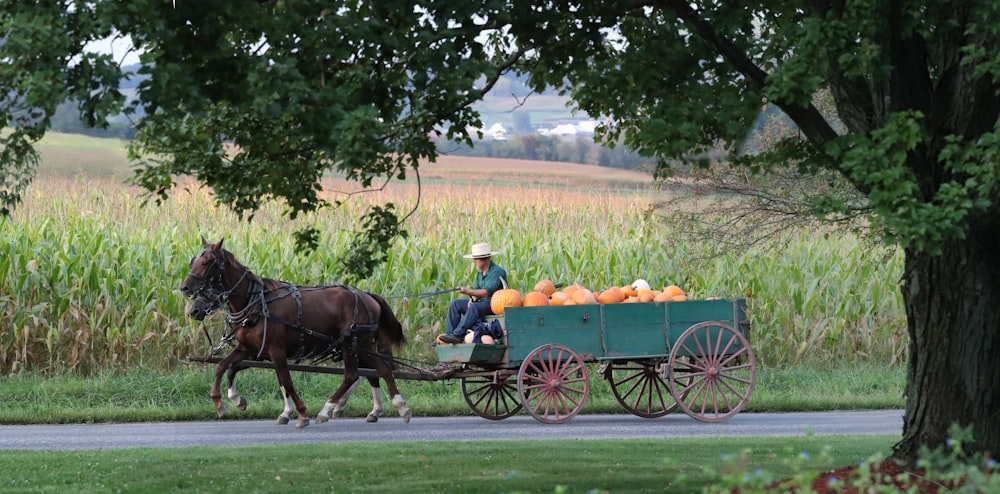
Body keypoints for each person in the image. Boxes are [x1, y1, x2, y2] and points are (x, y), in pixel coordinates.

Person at [436, 242, 508, 344]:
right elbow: (477, 290)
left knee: (475, 307)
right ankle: (449, 334)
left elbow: (486, 293)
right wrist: (472, 298)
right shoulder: (480, 273)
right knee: (455, 304)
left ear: (486, 259)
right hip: (482, 303)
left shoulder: (496, 272)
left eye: (476, 259)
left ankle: (458, 334)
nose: (474, 262)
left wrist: (467, 291)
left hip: (494, 304)